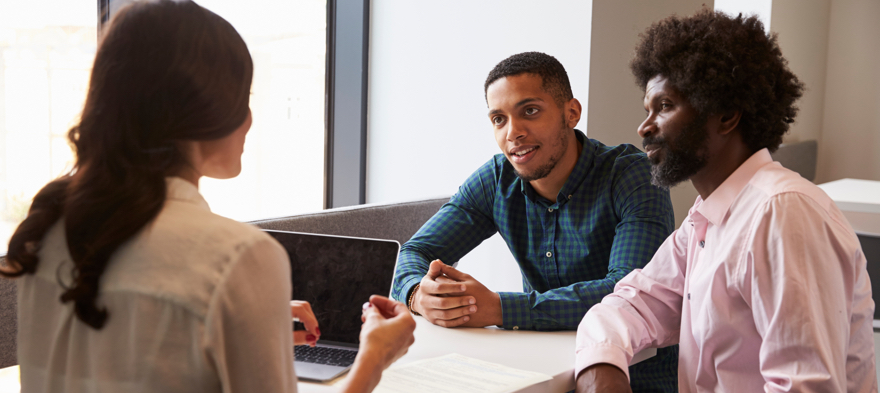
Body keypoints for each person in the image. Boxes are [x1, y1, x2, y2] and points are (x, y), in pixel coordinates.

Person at [0, 1, 414, 392]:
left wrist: (243, 319)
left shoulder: (47, 227)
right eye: (243, 99)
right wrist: (374, 358)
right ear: (206, 109)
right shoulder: (237, 256)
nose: (249, 118)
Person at [574, 9, 876, 393]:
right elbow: (631, 304)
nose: (644, 127)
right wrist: (601, 367)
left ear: (727, 115)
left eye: (664, 106)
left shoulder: (782, 212)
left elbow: (804, 387)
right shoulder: (706, 219)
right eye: (647, 109)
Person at [391, 52, 679, 391]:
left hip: (631, 378)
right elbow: (414, 251)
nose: (513, 133)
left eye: (530, 111)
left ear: (571, 113)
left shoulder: (630, 175)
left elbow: (627, 291)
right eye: (499, 119)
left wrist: (501, 309)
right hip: (539, 374)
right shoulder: (496, 179)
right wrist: (417, 295)